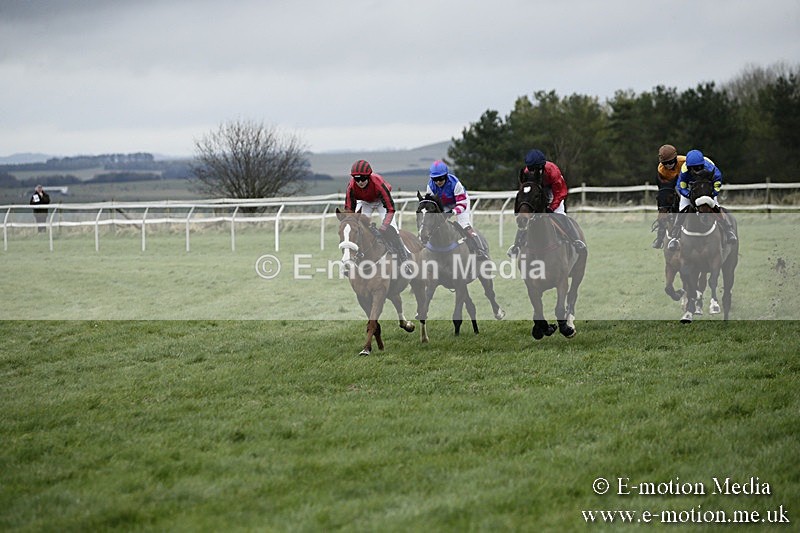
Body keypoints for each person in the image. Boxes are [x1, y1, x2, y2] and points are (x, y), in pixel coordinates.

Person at [507, 149, 586, 258]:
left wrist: (552, 208)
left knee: (561, 216)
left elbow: (560, 193)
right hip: (537, 191)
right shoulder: (526, 171)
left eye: (535, 169)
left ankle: (576, 241)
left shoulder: (553, 171)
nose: (532, 171)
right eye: (530, 169)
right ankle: (517, 245)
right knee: (526, 218)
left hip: (554, 192)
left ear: (541, 167)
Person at [666, 149, 738, 251]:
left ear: (702, 165)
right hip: (691, 190)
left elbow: (717, 183)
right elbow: (681, 186)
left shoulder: (711, 168)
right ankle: (675, 237)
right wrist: (689, 195)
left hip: (708, 190)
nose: (696, 170)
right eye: (693, 168)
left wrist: (712, 194)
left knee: (715, 206)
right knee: (682, 209)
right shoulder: (684, 170)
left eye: (698, 167)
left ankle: (728, 230)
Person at [344, 159, 412, 267]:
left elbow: (390, 209)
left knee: (392, 229)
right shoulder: (351, 186)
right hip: (365, 202)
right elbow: (349, 210)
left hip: (381, 202)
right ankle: (352, 259)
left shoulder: (378, 183)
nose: (360, 182)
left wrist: (384, 227)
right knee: (357, 227)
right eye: (357, 179)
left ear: (368, 176)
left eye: (363, 178)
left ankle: (405, 258)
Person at [425, 160, 489, 261]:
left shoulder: (455, 184)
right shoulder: (430, 186)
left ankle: (479, 250)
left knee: (464, 224)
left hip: (460, 202)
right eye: (435, 179)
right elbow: (431, 205)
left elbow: (462, 204)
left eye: (440, 178)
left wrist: (453, 212)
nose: (438, 182)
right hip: (444, 205)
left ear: (446, 176)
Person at [650, 144, 685, 248]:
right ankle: (660, 236)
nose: (668, 165)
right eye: (665, 163)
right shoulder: (661, 169)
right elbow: (664, 185)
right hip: (672, 185)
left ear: (675, 158)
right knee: (664, 201)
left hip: (687, 182)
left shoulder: (685, 162)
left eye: (671, 162)